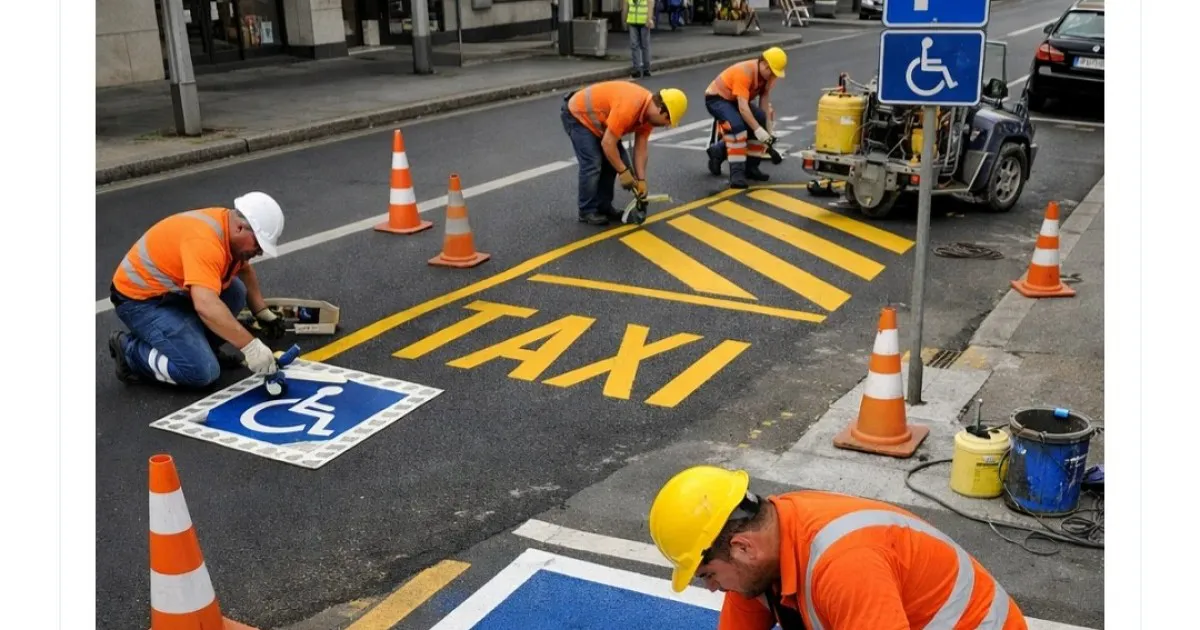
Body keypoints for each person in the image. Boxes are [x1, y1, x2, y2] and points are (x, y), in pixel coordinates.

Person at [648, 465, 1030, 630]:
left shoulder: (846, 564)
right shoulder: (766, 548)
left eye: (708, 575)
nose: (712, 588)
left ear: (742, 547)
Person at [107, 192, 288, 389]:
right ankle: (129, 351)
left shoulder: (228, 230)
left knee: (235, 292)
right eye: (258, 244)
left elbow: (244, 270)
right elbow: (205, 304)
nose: (260, 251)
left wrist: (261, 311)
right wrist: (250, 347)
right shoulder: (205, 242)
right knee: (203, 372)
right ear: (239, 228)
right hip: (140, 301)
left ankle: (200, 347)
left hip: (170, 293)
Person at [561, 80, 687, 225]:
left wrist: (641, 180)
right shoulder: (629, 106)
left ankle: (604, 207)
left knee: (612, 163)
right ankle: (586, 211)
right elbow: (608, 144)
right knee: (593, 163)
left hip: (600, 122)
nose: (666, 125)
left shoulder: (647, 117)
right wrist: (623, 172)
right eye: (667, 120)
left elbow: (641, 148)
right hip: (578, 115)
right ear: (661, 110)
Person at [705, 47, 787, 189]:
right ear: (764, 64)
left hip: (734, 100)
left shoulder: (768, 76)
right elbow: (743, 108)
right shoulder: (744, 73)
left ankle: (748, 166)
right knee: (737, 128)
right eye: (771, 72)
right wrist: (758, 130)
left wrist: (767, 129)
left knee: (759, 118)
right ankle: (737, 175)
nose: (772, 76)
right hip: (717, 99)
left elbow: (764, 101)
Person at [624, 0, 654, 78]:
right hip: (632, 21)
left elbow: (650, 3)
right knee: (634, 45)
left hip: (644, 21)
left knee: (645, 45)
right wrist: (624, 19)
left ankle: (646, 69)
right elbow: (625, 6)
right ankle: (636, 69)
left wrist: (649, 18)